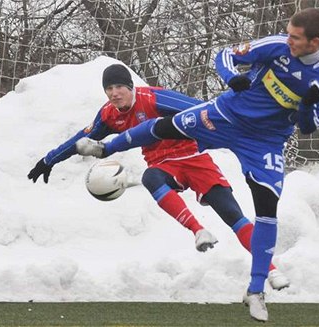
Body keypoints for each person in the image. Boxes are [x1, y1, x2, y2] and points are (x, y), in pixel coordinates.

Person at [75, 8, 319, 321]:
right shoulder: (277, 46)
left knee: (267, 210)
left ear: (314, 42)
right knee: (168, 125)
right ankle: (106, 148)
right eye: (288, 34)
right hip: (226, 115)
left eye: (295, 38)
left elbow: (309, 126)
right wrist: (233, 78)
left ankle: (256, 289)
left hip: (264, 142)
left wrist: (308, 102)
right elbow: (225, 55)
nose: (289, 41)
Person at [28, 64, 290, 288]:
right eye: (109, 89)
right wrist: (48, 160)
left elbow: (200, 109)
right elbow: (80, 139)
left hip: (194, 160)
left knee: (234, 215)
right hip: (164, 166)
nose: (114, 93)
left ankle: (272, 271)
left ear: (130, 86)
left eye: (119, 86)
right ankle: (199, 231)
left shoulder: (153, 98)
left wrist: (225, 133)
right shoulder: (108, 115)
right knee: (150, 177)